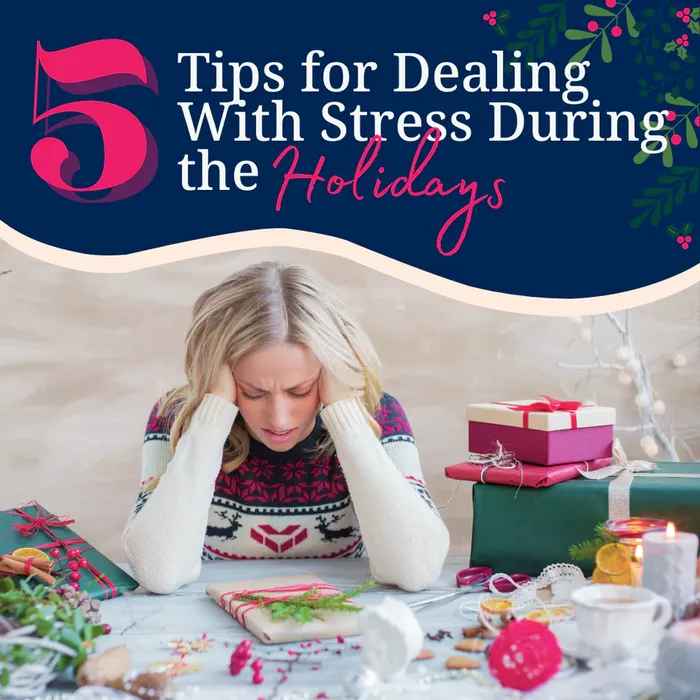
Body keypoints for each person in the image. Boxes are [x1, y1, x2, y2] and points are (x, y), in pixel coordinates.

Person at [121, 260, 450, 594]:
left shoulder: (378, 416)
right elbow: (158, 572)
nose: (278, 419)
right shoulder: (176, 418)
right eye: (253, 392)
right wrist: (213, 411)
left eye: (299, 391)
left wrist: (346, 415)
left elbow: (416, 569)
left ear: (328, 372)